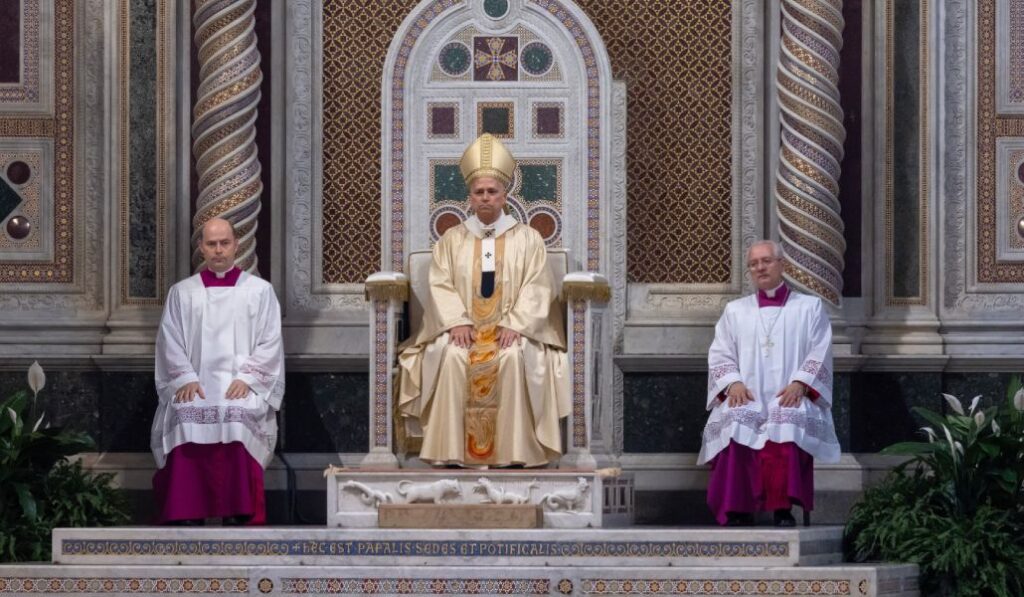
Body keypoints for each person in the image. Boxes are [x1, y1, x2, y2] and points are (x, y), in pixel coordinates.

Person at [397, 133, 569, 467]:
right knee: (450, 356)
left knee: (514, 358)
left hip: (511, 330)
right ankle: (449, 452)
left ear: (505, 195)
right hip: (464, 328)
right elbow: (440, 283)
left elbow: (538, 286)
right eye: (479, 193)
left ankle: (516, 452)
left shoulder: (528, 238)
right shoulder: (451, 240)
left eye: (492, 192)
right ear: (470, 198)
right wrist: (457, 320)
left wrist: (516, 324)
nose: (486, 198)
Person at [150, 218, 284, 525]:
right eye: (212, 244)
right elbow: (169, 340)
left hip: (239, 384)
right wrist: (184, 378)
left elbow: (270, 340)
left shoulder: (259, 292)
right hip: (195, 383)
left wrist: (248, 378)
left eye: (225, 243)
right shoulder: (182, 293)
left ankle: (239, 510)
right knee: (186, 415)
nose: (219, 250)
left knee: (237, 416)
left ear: (237, 245)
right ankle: (187, 511)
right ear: (201, 248)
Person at [698, 240, 840, 526]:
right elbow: (720, 352)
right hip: (747, 395)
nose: (760, 268)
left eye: (766, 261)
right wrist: (733, 383)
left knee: (786, 419)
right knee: (736, 420)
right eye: (753, 264)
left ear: (781, 265)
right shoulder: (735, 311)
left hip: (788, 393)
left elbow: (820, 350)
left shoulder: (809, 307)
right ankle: (738, 509)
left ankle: (782, 509)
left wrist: (801, 383)